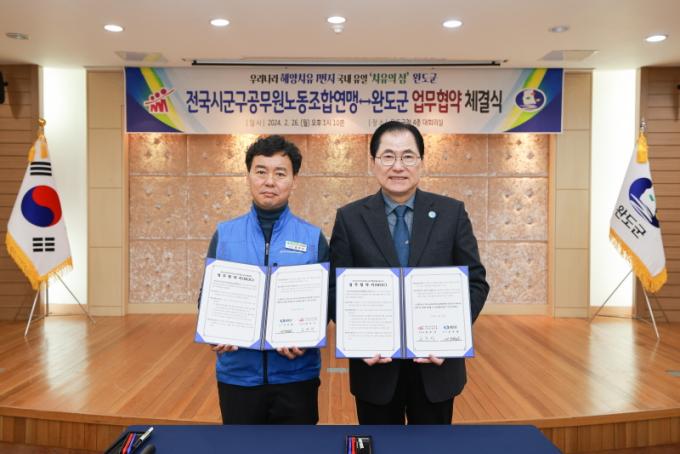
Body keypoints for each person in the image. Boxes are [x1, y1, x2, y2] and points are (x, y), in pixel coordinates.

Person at [330, 121, 489, 425]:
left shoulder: (451, 213)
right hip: (375, 368)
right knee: (377, 444)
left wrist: (451, 338)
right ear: (373, 163)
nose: (398, 166)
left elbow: (475, 282)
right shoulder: (350, 218)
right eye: (388, 156)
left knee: (431, 446)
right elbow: (335, 289)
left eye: (408, 156)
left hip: (436, 367)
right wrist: (358, 341)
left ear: (421, 162)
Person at [202, 135, 329, 424]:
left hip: (296, 375)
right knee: (241, 445)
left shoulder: (312, 238)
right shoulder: (225, 234)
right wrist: (214, 330)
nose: (269, 181)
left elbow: (325, 302)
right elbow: (206, 296)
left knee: (297, 445)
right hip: (238, 375)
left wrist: (307, 335)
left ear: (294, 180)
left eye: (280, 173)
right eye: (261, 171)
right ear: (248, 176)